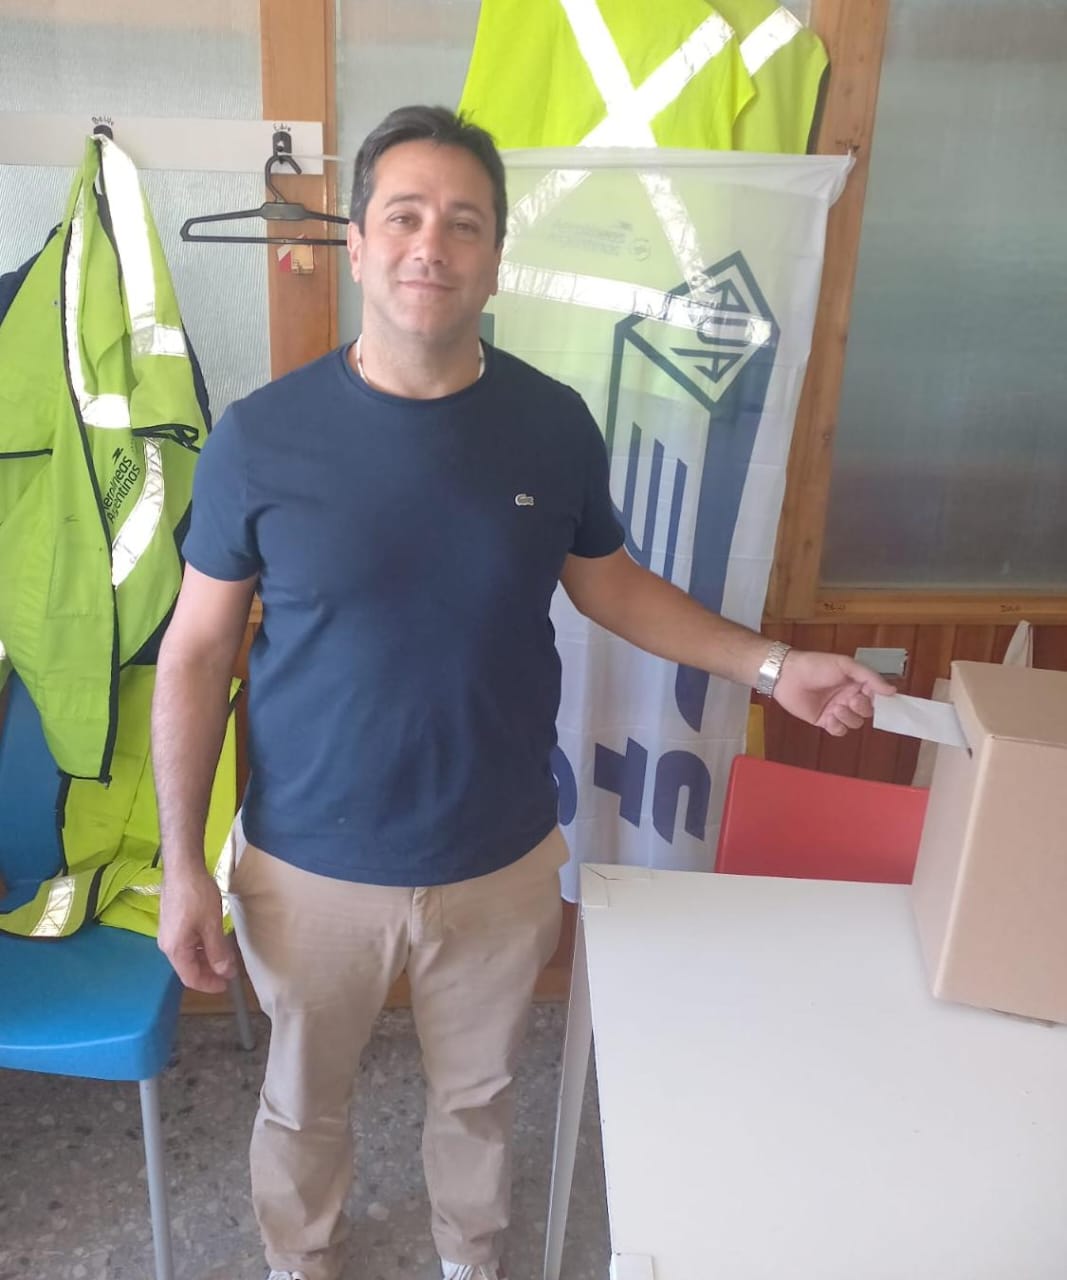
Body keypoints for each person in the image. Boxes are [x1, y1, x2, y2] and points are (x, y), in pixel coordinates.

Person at [153, 105, 893, 1280]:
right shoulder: (261, 437)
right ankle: (302, 1255)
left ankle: (470, 1255)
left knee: (480, 1096)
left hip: (496, 857)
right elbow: (195, 652)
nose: (429, 245)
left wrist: (770, 664)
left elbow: (612, 587)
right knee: (301, 1099)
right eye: (403, 216)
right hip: (307, 863)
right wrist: (181, 862)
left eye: (463, 223)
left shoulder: (550, 424)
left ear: (495, 257)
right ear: (357, 243)